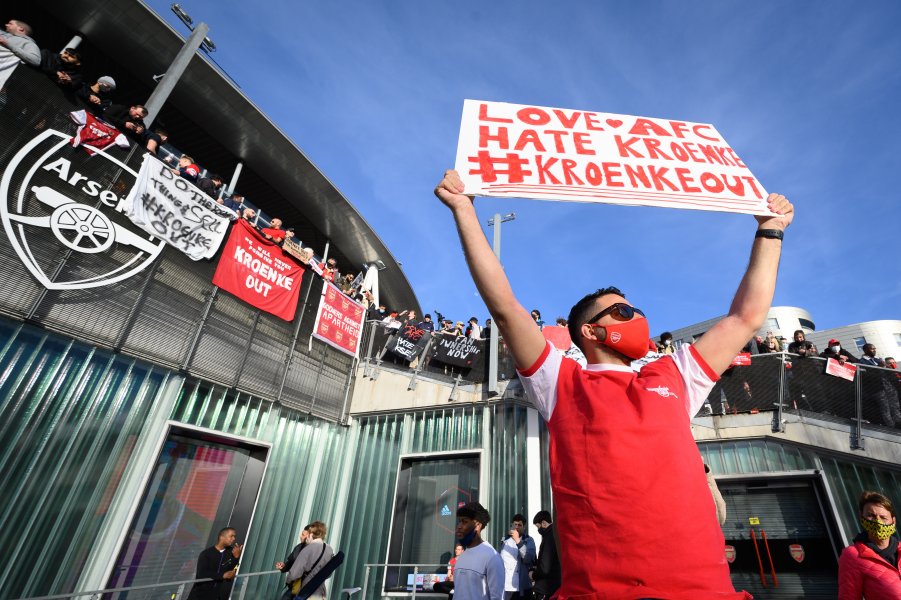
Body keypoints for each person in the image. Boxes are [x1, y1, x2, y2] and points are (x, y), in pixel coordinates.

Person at [435, 168, 793, 598]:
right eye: (622, 312)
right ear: (588, 331)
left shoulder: (675, 375)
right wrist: (464, 210)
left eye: (636, 310)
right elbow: (507, 307)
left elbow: (746, 317)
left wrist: (770, 233)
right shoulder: (561, 381)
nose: (637, 318)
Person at [838, 490, 901, 599]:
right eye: (871, 516)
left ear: (893, 521)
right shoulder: (853, 555)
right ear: (861, 517)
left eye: (883, 517)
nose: (878, 522)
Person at [454, 502, 504, 600]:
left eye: (464, 522)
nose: (459, 526)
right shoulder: (462, 556)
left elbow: (497, 597)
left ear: (477, 525)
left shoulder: (492, 557)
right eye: (459, 521)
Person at [186, 527, 242, 600]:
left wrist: (236, 557)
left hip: (218, 595)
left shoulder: (231, 552)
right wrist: (222, 575)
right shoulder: (206, 554)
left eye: (234, 536)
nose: (234, 539)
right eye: (231, 536)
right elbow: (201, 574)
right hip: (200, 595)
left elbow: (229, 570)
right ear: (221, 537)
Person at [286, 521, 334, 600]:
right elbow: (329, 574)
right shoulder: (329, 550)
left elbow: (294, 574)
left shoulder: (308, 549)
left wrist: (289, 581)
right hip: (320, 594)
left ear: (311, 534)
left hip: (306, 592)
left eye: (308, 534)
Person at [859, 344, 901, 427]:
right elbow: (868, 373)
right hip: (878, 388)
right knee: (886, 408)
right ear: (866, 350)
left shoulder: (878, 359)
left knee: (895, 406)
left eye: (875, 348)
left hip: (889, 386)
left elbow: (885, 370)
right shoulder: (863, 361)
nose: (874, 350)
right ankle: (891, 427)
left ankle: (899, 422)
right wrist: (879, 366)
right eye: (872, 349)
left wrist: (887, 366)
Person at [499, 513, 536, 600]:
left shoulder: (528, 540)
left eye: (520, 525)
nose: (517, 527)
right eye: (515, 524)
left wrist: (518, 541)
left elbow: (527, 558)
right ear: (511, 525)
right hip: (505, 587)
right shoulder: (505, 540)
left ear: (524, 527)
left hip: (521, 588)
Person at [0, 19, 40, 90]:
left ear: (21, 28)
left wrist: (7, 43)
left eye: (10, 23)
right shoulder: (3, 34)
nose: (6, 25)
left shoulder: (28, 43)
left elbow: (35, 60)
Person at [276, 525, 311, 599]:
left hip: (305, 590)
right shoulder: (298, 547)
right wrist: (283, 566)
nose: (300, 536)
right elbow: (290, 563)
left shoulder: (313, 551)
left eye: (303, 535)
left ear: (309, 536)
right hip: (293, 587)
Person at [530, 511, 560, 600]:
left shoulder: (549, 537)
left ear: (543, 523)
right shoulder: (556, 534)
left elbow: (544, 568)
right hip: (555, 586)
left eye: (538, 527)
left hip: (546, 589)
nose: (538, 530)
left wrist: (533, 575)